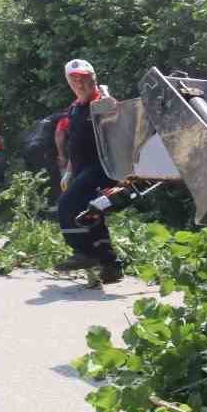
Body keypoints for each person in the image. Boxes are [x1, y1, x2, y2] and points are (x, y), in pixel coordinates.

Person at [53, 59, 122, 283]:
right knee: (92, 215)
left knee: (67, 205)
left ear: (93, 78)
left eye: (83, 78)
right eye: (74, 79)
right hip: (81, 169)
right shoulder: (74, 108)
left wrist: (109, 102)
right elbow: (74, 144)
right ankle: (111, 266)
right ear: (68, 82)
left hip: (103, 168)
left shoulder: (103, 102)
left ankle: (83, 253)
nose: (79, 83)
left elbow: (120, 125)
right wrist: (69, 172)